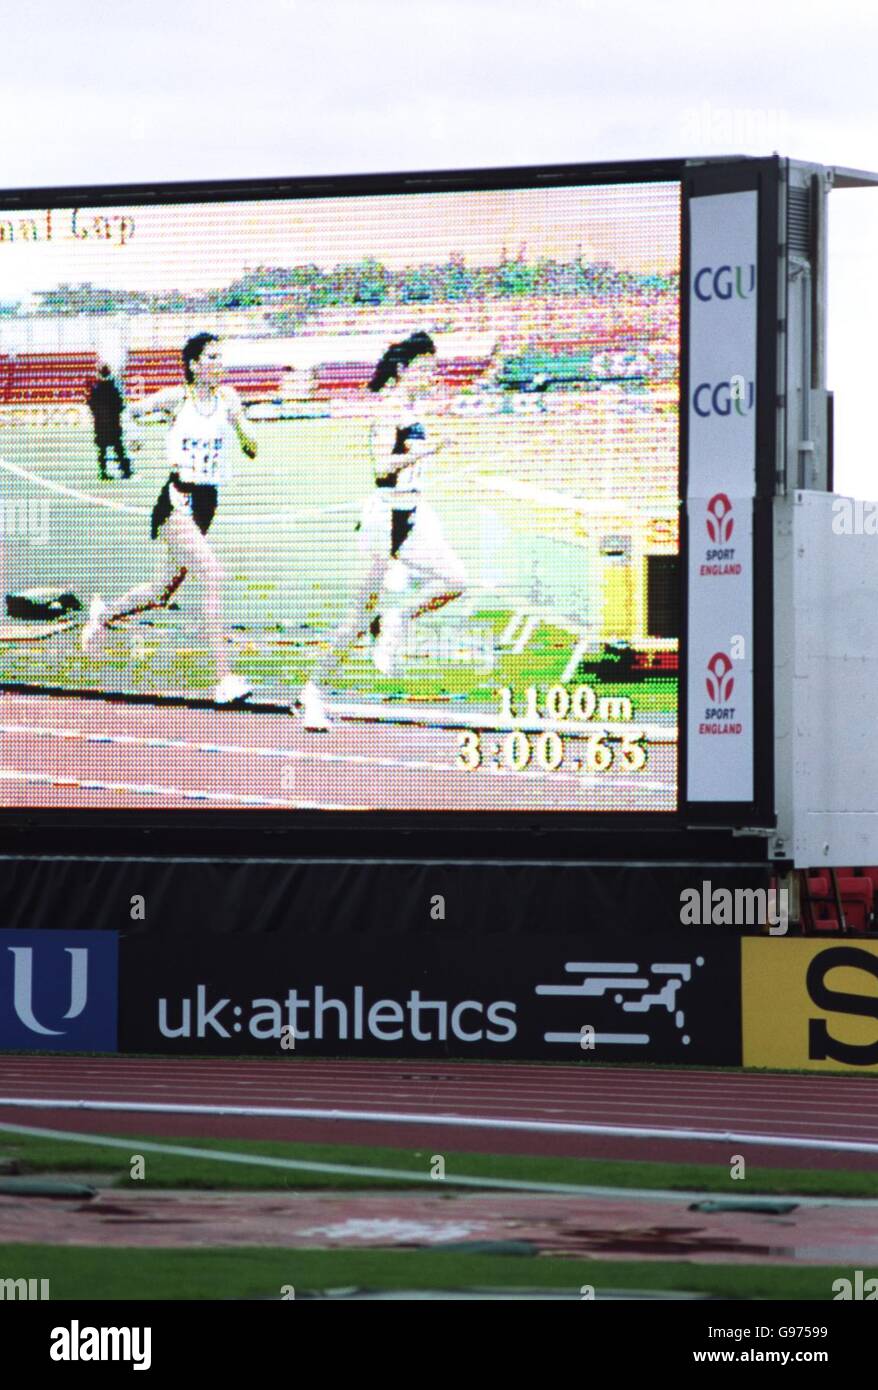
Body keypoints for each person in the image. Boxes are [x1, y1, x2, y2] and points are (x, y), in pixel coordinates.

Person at [298, 330, 466, 731]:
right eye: (424, 369)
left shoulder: (409, 407)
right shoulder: (389, 408)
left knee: (456, 579)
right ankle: (313, 693)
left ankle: (398, 618)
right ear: (403, 369)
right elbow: (380, 469)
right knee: (358, 617)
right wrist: (429, 450)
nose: (432, 376)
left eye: (434, 368)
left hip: (412, 514)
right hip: (382, 518)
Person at [80, 333, 257, 705]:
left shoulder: (229, 399)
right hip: (178, 499)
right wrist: (135, 436)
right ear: (194, 364)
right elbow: (129, 413)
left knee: (162, 592)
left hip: (207, 502)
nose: (219, 363)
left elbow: (252, 447)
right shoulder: (178, 398)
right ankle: (224, 678)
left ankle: (104, 614)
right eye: (212, 357)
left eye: (221, 356)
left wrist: (241, 424)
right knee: (211, 572)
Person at [87, 365, 132, 480]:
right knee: (119, 448)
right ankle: (125, 470)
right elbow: (120, 405)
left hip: (100, 425)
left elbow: (91, 405)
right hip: (113, 424)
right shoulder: (113, 388)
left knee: (102, 450)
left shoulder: (96, 389)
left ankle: (103, 472)